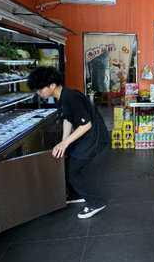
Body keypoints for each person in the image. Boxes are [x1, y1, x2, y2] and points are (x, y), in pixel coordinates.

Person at [27, 66, 109, 219]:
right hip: (85, 136)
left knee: (73, 172)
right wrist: (64, 142)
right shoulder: (61, 97)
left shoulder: (71, 97)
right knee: (69, 162)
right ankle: (78, 194)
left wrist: (64, 144)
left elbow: (86, 125)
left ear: (52, 85)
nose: (39, 93)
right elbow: (68, 119)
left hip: (94, 137)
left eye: (40, 89)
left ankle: (96, 202)